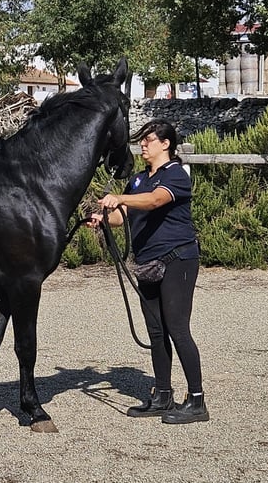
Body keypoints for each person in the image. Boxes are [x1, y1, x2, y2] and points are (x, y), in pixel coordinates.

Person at [88, 118, 209, 424]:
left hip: (177, 259)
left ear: (165, 144)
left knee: (178, 329)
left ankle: (197, 401)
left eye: (149, 140)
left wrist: (120, 198)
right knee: (156, 332)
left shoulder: (177, 175)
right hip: (147, 262)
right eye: (141, 140)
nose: (142, 144)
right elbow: (125, 215)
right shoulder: (139, 180)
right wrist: (105, 218)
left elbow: (155, 202)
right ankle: (163, 395)